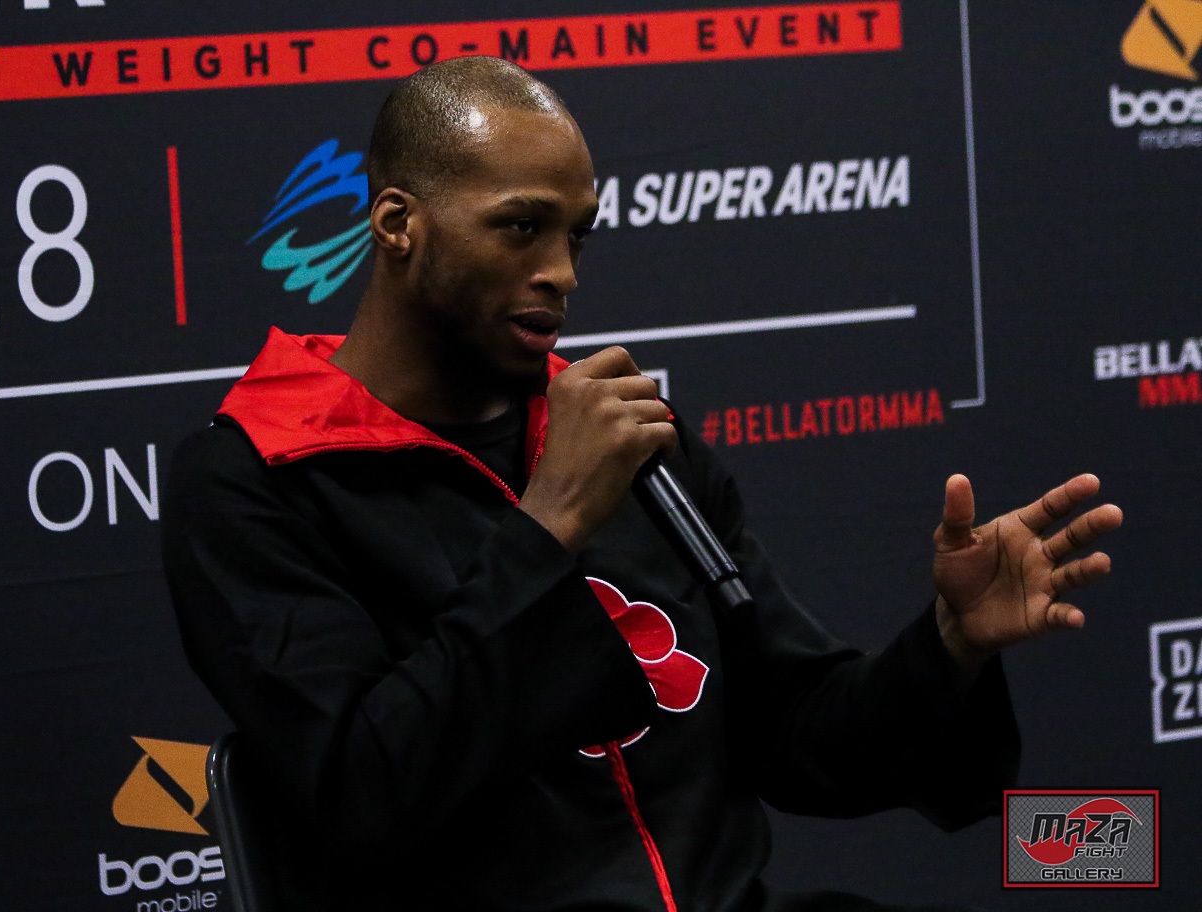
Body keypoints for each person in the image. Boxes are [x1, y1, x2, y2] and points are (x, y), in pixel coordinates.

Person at [161, 57, 1122, 912]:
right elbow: (363, 792)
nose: (561, 273)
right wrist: (547, 528)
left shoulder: (629, 439)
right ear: (398, 225)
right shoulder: (256, 479)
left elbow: (797, 735)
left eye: (577, 236)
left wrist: (951, 644)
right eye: (521, 228)